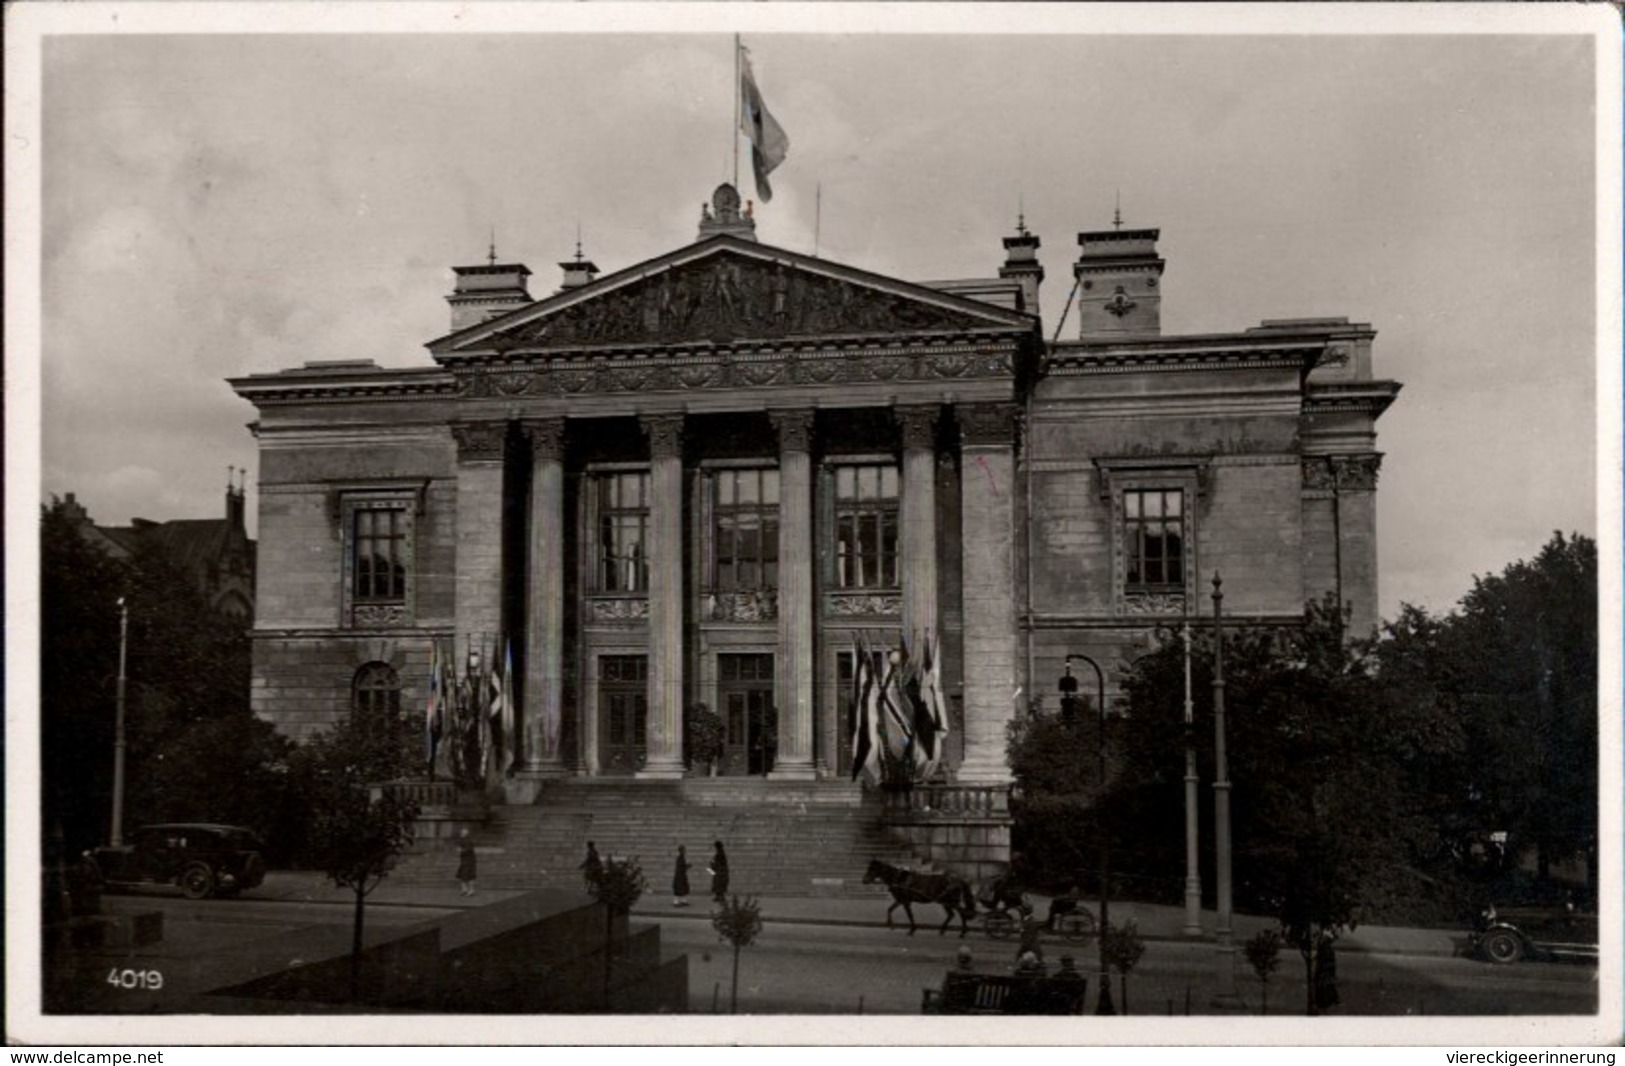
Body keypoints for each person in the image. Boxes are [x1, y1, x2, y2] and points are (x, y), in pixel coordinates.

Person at [1314, 933, 1340, 1013]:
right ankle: (1329, 1000)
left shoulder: (1325, 949)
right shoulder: (1327, 949)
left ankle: (1325, 1002)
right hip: (1326, 970)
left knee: (1324, 985)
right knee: (1327, 985)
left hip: (1325, 970)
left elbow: (1322, 961)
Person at [455, 829, 477, 898]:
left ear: (465, 833)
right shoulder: (463, 840)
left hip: (469, 861)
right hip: (465, 861)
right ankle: (464, 889)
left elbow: (468, 849)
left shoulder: (468, 840)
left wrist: (461, 850)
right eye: (461, 832)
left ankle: (471, 890)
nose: (460, 834)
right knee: (462, 875)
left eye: (462, 833)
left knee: (469, 876)